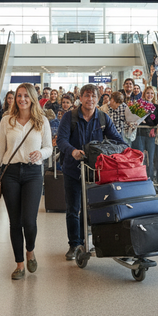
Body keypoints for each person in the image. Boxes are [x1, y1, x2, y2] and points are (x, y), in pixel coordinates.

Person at [0, 84, 52, 280]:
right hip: (10, 174)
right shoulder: (6, 121)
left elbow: (49, 148)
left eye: (26, 96)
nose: (22, 99)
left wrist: (41, 154)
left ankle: (30, 251)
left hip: (33, 173)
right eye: (19, 96)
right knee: (15, 222)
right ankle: (19, 264)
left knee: (29, 221)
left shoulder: (41, 121)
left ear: (33, 98)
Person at [56, 84, 127, 260]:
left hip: (96, 172)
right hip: (73, 169)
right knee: (73, 209)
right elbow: (61, 140)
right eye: (87, 96)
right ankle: (75, 244)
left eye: (94, 96)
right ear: (80, 98)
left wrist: (120, 152)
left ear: (98, 98)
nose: (90, 99)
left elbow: (118, 140)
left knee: (90, 209)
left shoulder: (103, 118)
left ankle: (90, 242)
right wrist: (72, 151)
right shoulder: (69, 117)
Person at [132, 85, 158, 180]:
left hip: (150, 135)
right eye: (148, 93)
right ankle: (141, 178)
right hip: (140, 134)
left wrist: (147, 121)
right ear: (144, 94)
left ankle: (151, 179)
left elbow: (154, 121)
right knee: (141, 158)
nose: (150, 95)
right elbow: (136, 118)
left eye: (152, 93)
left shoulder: (156, 107)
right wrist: (147, 121)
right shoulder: (140, 105)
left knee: (151, 159)